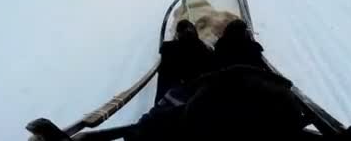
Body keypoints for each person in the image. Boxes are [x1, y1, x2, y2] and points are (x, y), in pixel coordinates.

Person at [126, 19, 308, 141]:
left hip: (218, 95)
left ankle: (189, 41)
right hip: (265, 98)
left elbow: (164, 114)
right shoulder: (284, 106)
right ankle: (229, 41)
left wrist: (142, 127)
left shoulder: (202, 100)